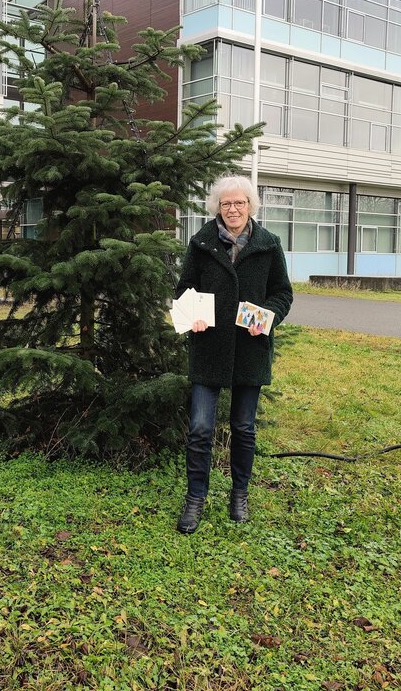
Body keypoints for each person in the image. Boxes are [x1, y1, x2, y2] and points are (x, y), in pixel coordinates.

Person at [175, 175, 293, 534]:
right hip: (208, 348)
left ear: (250, 206)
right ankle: (196, 498)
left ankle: (239, 494)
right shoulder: (200, 244)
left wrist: (267, 318)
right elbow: (184, 291)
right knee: (199, 428)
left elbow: (282, 294)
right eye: (226, 204)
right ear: (217, 208)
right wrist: (190, 314)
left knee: (243, 428)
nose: (233, 209)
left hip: (250, 349)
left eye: (239, 203)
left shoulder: (268, 245)